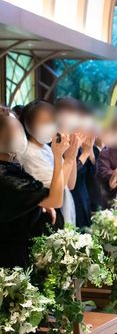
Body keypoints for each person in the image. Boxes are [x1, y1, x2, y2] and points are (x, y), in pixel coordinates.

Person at [0, 107, 68, 268]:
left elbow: (27, 198)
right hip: (9, 255)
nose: (19, 133)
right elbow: (54, 199)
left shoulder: (11, 166)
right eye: (13, 129)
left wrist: (38, 203)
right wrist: (58, 156)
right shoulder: (4, 174)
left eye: (18, 127)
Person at [18, 100, 80, 226]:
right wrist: (67, 160)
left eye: (52, 121)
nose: (50, 126)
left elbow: (70, 184)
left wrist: (72, 154)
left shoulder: (48, 147)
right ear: (28, 125)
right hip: (46, 218)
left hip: (62, 211)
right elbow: (54, 193)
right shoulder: (28, 152)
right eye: (43, 122)